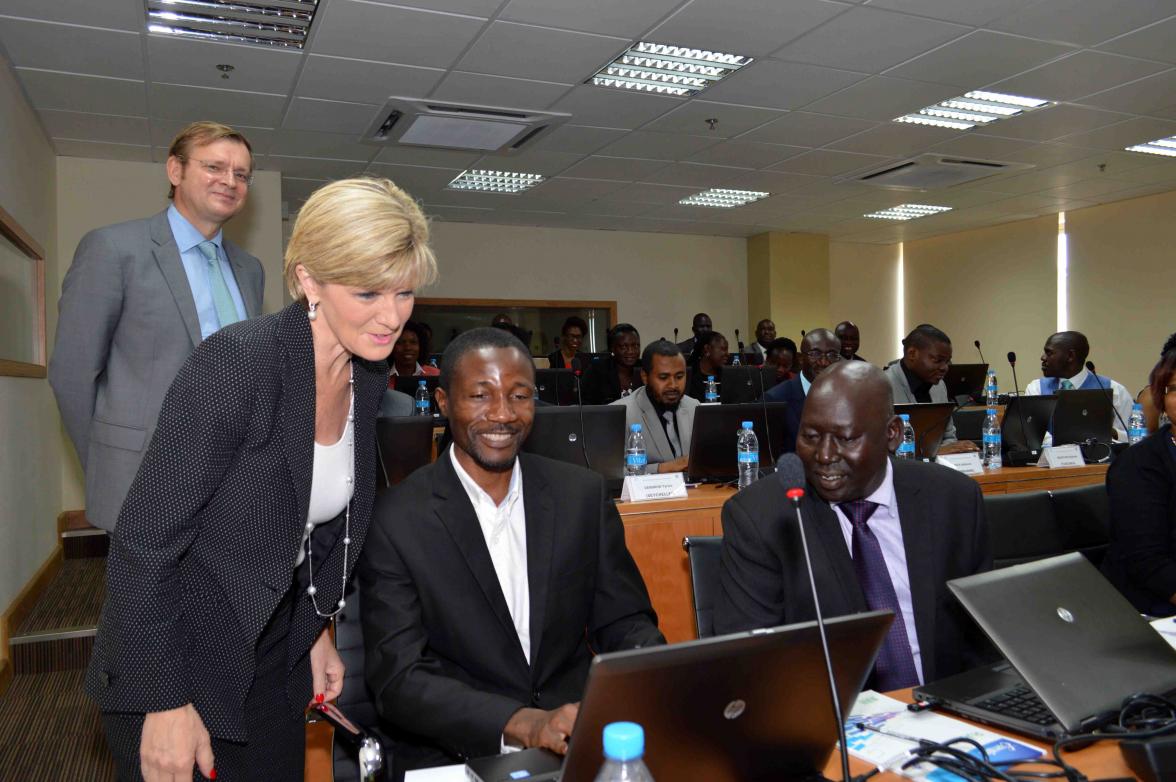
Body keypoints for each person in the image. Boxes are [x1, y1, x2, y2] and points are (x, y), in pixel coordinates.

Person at [85, 177, 438, 780]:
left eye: (404, 293)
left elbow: (311, 527)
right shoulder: (238, 364)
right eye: (368, 292)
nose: (391, 317)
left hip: (272, 655)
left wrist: (315, 627)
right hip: (177, 659)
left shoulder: (366, 375)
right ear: (308, 280)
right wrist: (165, 700)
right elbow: (144, 543)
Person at [360, 327, 664, 771]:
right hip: (458, 750)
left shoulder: (579, 494)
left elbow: (623, 619)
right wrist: (519, 723)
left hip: (577, 735)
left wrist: (654, 675)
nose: (503, 414)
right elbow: (399, 678)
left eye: (520, 396)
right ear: (443, 404)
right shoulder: (396, 519)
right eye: (480, 396)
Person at [715, 361, 992, 688]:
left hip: (947, 711)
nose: (824, 455)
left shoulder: (952, 500)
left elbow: (985, 639)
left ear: (892, 435)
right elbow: (752, 664)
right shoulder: (762, 518)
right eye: (811, 436)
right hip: (833, 720)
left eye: (846, 439)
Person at [48, 120, 265, 532]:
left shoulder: (249, 269)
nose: (230, 181)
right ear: (175, 171)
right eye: (215, 167)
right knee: (146, 596)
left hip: (232, 476)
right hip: (143, 477)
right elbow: (71, 375)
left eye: (241, 174)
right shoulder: (113, 249)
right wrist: (107, 466)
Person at [1103, 332, 1176, 617]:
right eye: (1174, 388)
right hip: (1151, 609)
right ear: (1161, 397)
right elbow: (1149, 564)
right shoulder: (1139, 465)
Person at [884, 324, 975, 456]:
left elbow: (948, 436)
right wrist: (935, 452)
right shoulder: (882, 387)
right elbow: (879, 447)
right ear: (912, 354)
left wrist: (959, 450)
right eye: (938, 360)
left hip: (935, 470)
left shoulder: (939, 386)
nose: (945, 368)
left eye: (947, 361)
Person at [1025, 331, 1133, 440]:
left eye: (1049, 353)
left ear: (1070, 356)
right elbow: (1032, 435)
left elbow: (1133, 437)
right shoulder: (1036, 388)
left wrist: (1111, 432)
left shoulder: (1114, 391)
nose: (1043, 358)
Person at [611, 341, 698, 474]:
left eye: (679, 376)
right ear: (645, 377)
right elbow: (610, 472)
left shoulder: (694, 407)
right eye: (664, 377)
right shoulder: (621, 413)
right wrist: (661, 468)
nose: (673, 385)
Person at [765, 329, 841, 452]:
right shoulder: (774, 399)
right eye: (815, 354)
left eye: (832, 355)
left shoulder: (847, 397)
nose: (824, 362)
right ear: (801, 358)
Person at [582, 323, 642, 404]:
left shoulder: (645, 368)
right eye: (624, 347)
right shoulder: (597, 370)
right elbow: (586, 405)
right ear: (612, 348)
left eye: (635, 346)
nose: (631, 351)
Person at [685, 331, 729, 402]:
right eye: (723, 349)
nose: (728, 354)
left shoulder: (727, 375)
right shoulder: (689, 376)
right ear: (707, 350)